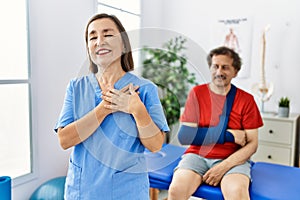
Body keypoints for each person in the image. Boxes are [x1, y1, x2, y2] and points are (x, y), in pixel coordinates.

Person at [54, 13, 169, 199]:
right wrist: (105, 107)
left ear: (123, 44)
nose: (99, 41)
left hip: (127, 191)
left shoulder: (145, 89)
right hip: (82, 191)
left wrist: (137, 110)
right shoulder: (76, 88)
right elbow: (65, 140)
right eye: (93, 37)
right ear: (89, 48)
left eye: (107, 34)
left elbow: (155, 145)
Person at [167, 46, 263, 200]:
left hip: (232, 158)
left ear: (235, 71)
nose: (219, 72)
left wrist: (223, 167)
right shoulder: (197, 93)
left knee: (237, 194)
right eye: (215, 66)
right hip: (197, 155)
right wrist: (228, 135)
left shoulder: (246, 100)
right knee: (176, 190)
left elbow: (252, 144)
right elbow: (185, 136)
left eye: (225, 67)